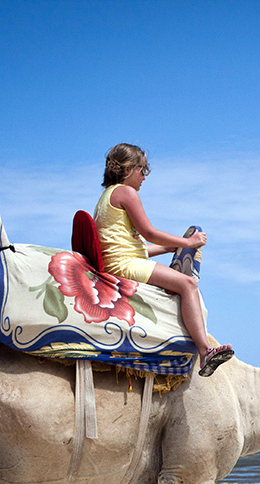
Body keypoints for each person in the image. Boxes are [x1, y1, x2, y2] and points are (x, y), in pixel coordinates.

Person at [95, 143, 233, 376]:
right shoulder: (127, 193)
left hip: (121, 261)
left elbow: (131, 248)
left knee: (177, 280)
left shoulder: (106, 197)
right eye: (143, 170)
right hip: (125, 267)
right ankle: (204, 351)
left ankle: (170, 283)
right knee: (188, 284)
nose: (144, 177)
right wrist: (188, 243)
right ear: (128, 169)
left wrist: (170, 247)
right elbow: (148, 232)